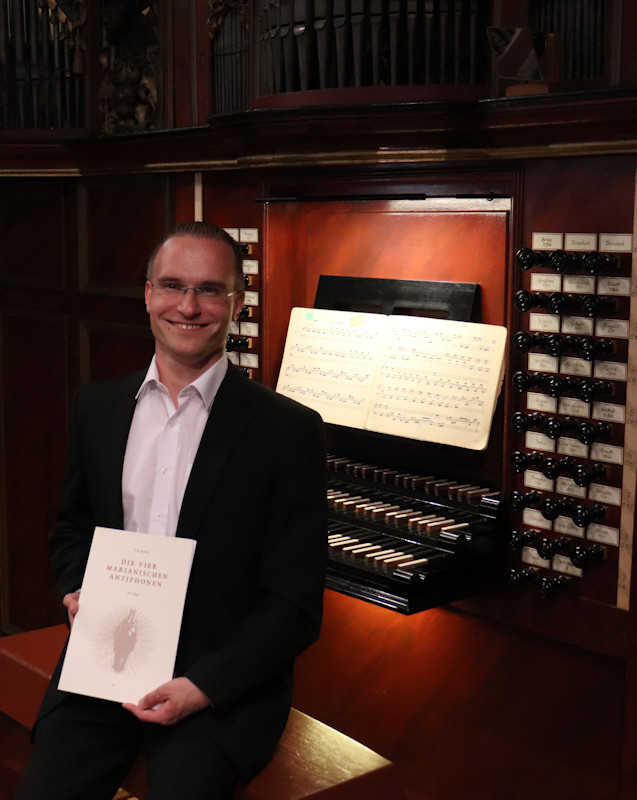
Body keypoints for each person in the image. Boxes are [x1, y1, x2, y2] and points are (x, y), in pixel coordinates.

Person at [15, 222, 327, 800]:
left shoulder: (289, 432)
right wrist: (76, 590)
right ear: (148, 294)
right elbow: (72, 528)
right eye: (173, 286)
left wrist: (203, 687)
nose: (188, 306)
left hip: (217, 683)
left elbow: (296, 605)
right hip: (105, 661)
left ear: (236, 302)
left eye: (209, 290)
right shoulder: (97, 407)